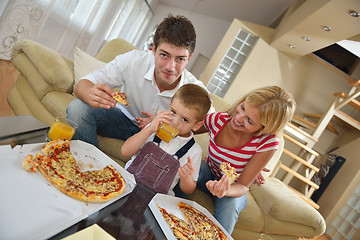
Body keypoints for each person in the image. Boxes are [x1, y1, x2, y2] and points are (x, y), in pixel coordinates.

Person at [66, 14, 213, 147]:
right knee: (78, 108)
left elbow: (211, 124)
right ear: (154, 49)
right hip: (122, 121)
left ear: (189, 58)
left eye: (180, 59)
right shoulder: (133, 61)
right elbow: (82, 84)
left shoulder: (194, 88)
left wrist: (168, 125)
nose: (170, 67)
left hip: (159, 138)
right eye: (164, 55)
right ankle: (83, 165)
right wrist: (91, 93)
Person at [196, 86, 296, 234]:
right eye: (242, 108)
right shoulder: (219, 120)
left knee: (230, 205)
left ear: (265, 127)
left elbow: (243, 185)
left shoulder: (267, 143)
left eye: (249, 120)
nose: (238, 118)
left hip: (233, 188)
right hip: (207, 172)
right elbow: (186, 127)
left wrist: (225, 189)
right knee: (186, 166)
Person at [121, 84, 212, 196]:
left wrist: (186, 178)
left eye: (185, 120)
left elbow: (188, 189)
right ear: (169, 106)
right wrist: (149, 129)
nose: (175, 122)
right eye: (173, 112)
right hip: (126, 184)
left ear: (197, 125)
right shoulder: (154, 127)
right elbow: (125, 151)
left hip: (155, 200)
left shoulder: (194, 150)